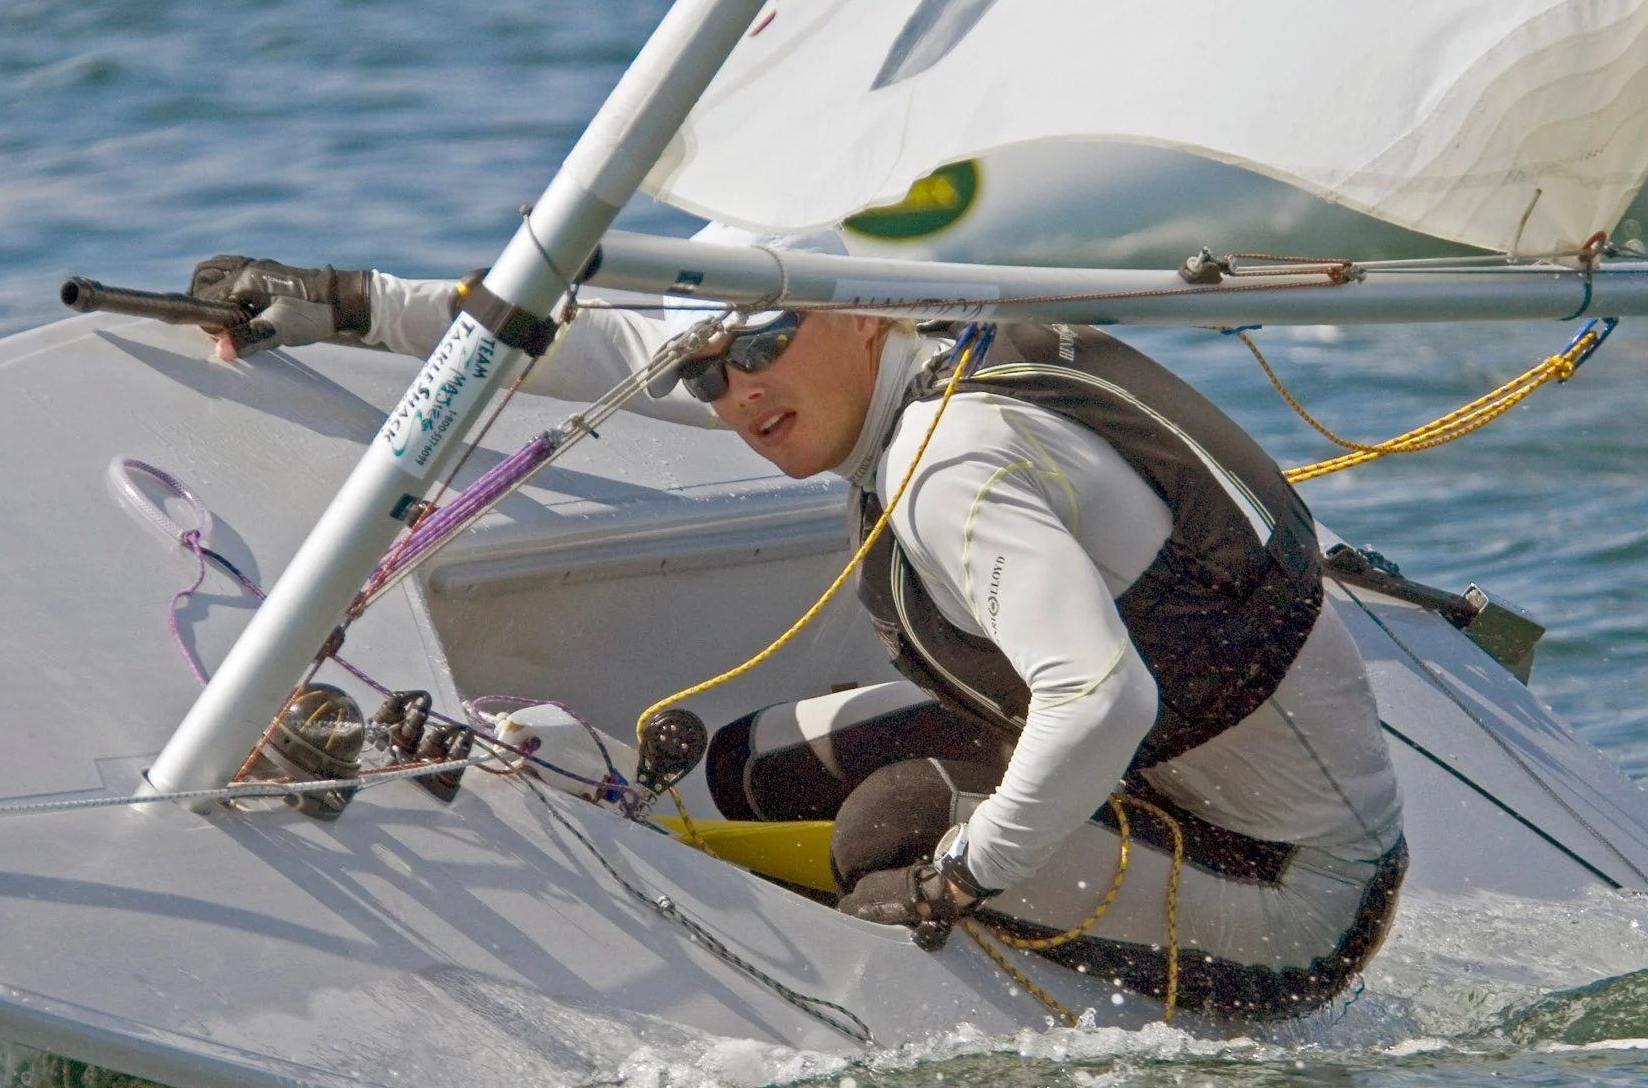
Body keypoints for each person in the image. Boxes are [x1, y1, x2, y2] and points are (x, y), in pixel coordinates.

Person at [185, 254, 1406, 1022]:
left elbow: (1099, 704)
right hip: (1165, 775)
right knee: (730, 767)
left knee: (891, 826)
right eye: (710, 376)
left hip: (1294, 898)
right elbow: (621, 348)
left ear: (865, 312)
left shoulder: (953, 460)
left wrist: (957, 878)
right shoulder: (920, 341)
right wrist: (348, 305)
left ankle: (804, 984)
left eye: (761, 350)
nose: (737, 398)